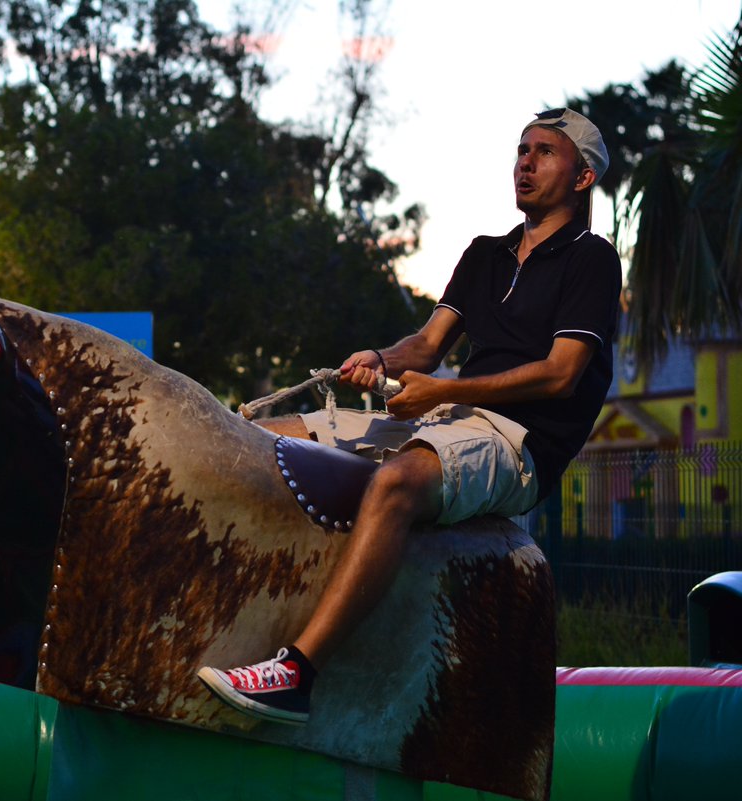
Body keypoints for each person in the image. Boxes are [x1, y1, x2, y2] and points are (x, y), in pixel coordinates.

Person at [197, 108, 622, 725]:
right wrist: (376, 357)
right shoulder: (485, 254)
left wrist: (444, 390)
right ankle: (225, 619)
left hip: (516, 440)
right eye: (521, 150)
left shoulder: (593, 259)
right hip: (446, 414)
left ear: (583, 179)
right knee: (256, 437)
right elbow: (424, 348)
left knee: (395, 484)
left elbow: (562, 373)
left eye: (544, 153)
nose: (525, 162)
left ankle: (296, 675)